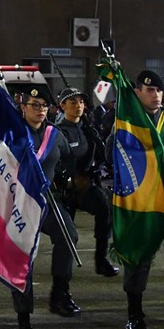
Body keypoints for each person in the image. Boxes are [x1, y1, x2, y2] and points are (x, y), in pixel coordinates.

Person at [106, 70, 164, 329]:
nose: (155, 95)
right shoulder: (127, 120)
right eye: (149, 90)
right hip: (136, 196)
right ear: (137, 93)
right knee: (139, 253)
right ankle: (134, 314)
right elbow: (111, 152)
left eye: (158, 90)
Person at [13, 88, 79, 329]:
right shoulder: (12, 135)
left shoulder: (55, 134)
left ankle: (59, 293)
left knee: (69, 235)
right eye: (34, 104)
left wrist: (67, 178)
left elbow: (68, 159)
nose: (40, 109)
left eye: (43, 105)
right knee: (22, 262)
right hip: (20, 203)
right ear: (23, 108)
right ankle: (23, 324)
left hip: (48, 201)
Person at [55, 87, 119, 277]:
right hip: (64, 188)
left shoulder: (87, 128)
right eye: (73, 102)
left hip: (86, 184)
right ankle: (62, 269)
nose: (78, 106)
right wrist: (70, 177)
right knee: (65, 231)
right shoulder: (57, 131)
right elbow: (53, 159)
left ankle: (101, 260)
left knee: (105, 210)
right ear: (62, 106)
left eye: (81, 102)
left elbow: (98, 154)